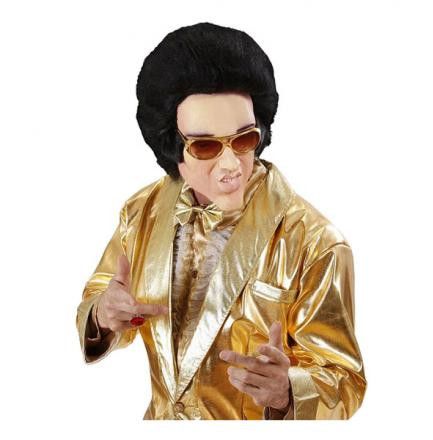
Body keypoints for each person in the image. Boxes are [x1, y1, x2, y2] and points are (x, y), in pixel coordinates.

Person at [75, 22, 367, 420]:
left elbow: (345, 380)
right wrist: (103, 314)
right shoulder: (141, 212)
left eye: (244, 139)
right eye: (206, 146)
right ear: (170, 145)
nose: (231, 164)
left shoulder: (315, 242)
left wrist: (288, 392)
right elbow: (98, 294)